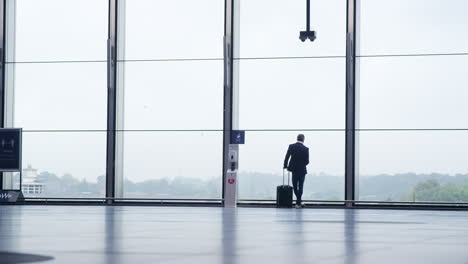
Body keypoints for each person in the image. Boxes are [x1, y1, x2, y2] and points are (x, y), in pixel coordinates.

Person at [283, 134, 309, 208]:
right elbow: (307, 161)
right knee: (301, 186)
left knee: (294, 185)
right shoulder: (306, 149)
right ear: (303, 139)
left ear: (297, 138)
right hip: (302, 170)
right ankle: (299, 202)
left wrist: (285, 165)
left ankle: (298, 202)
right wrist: (302, 164)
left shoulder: (291, 146)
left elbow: (287, 156)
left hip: (294, 169)